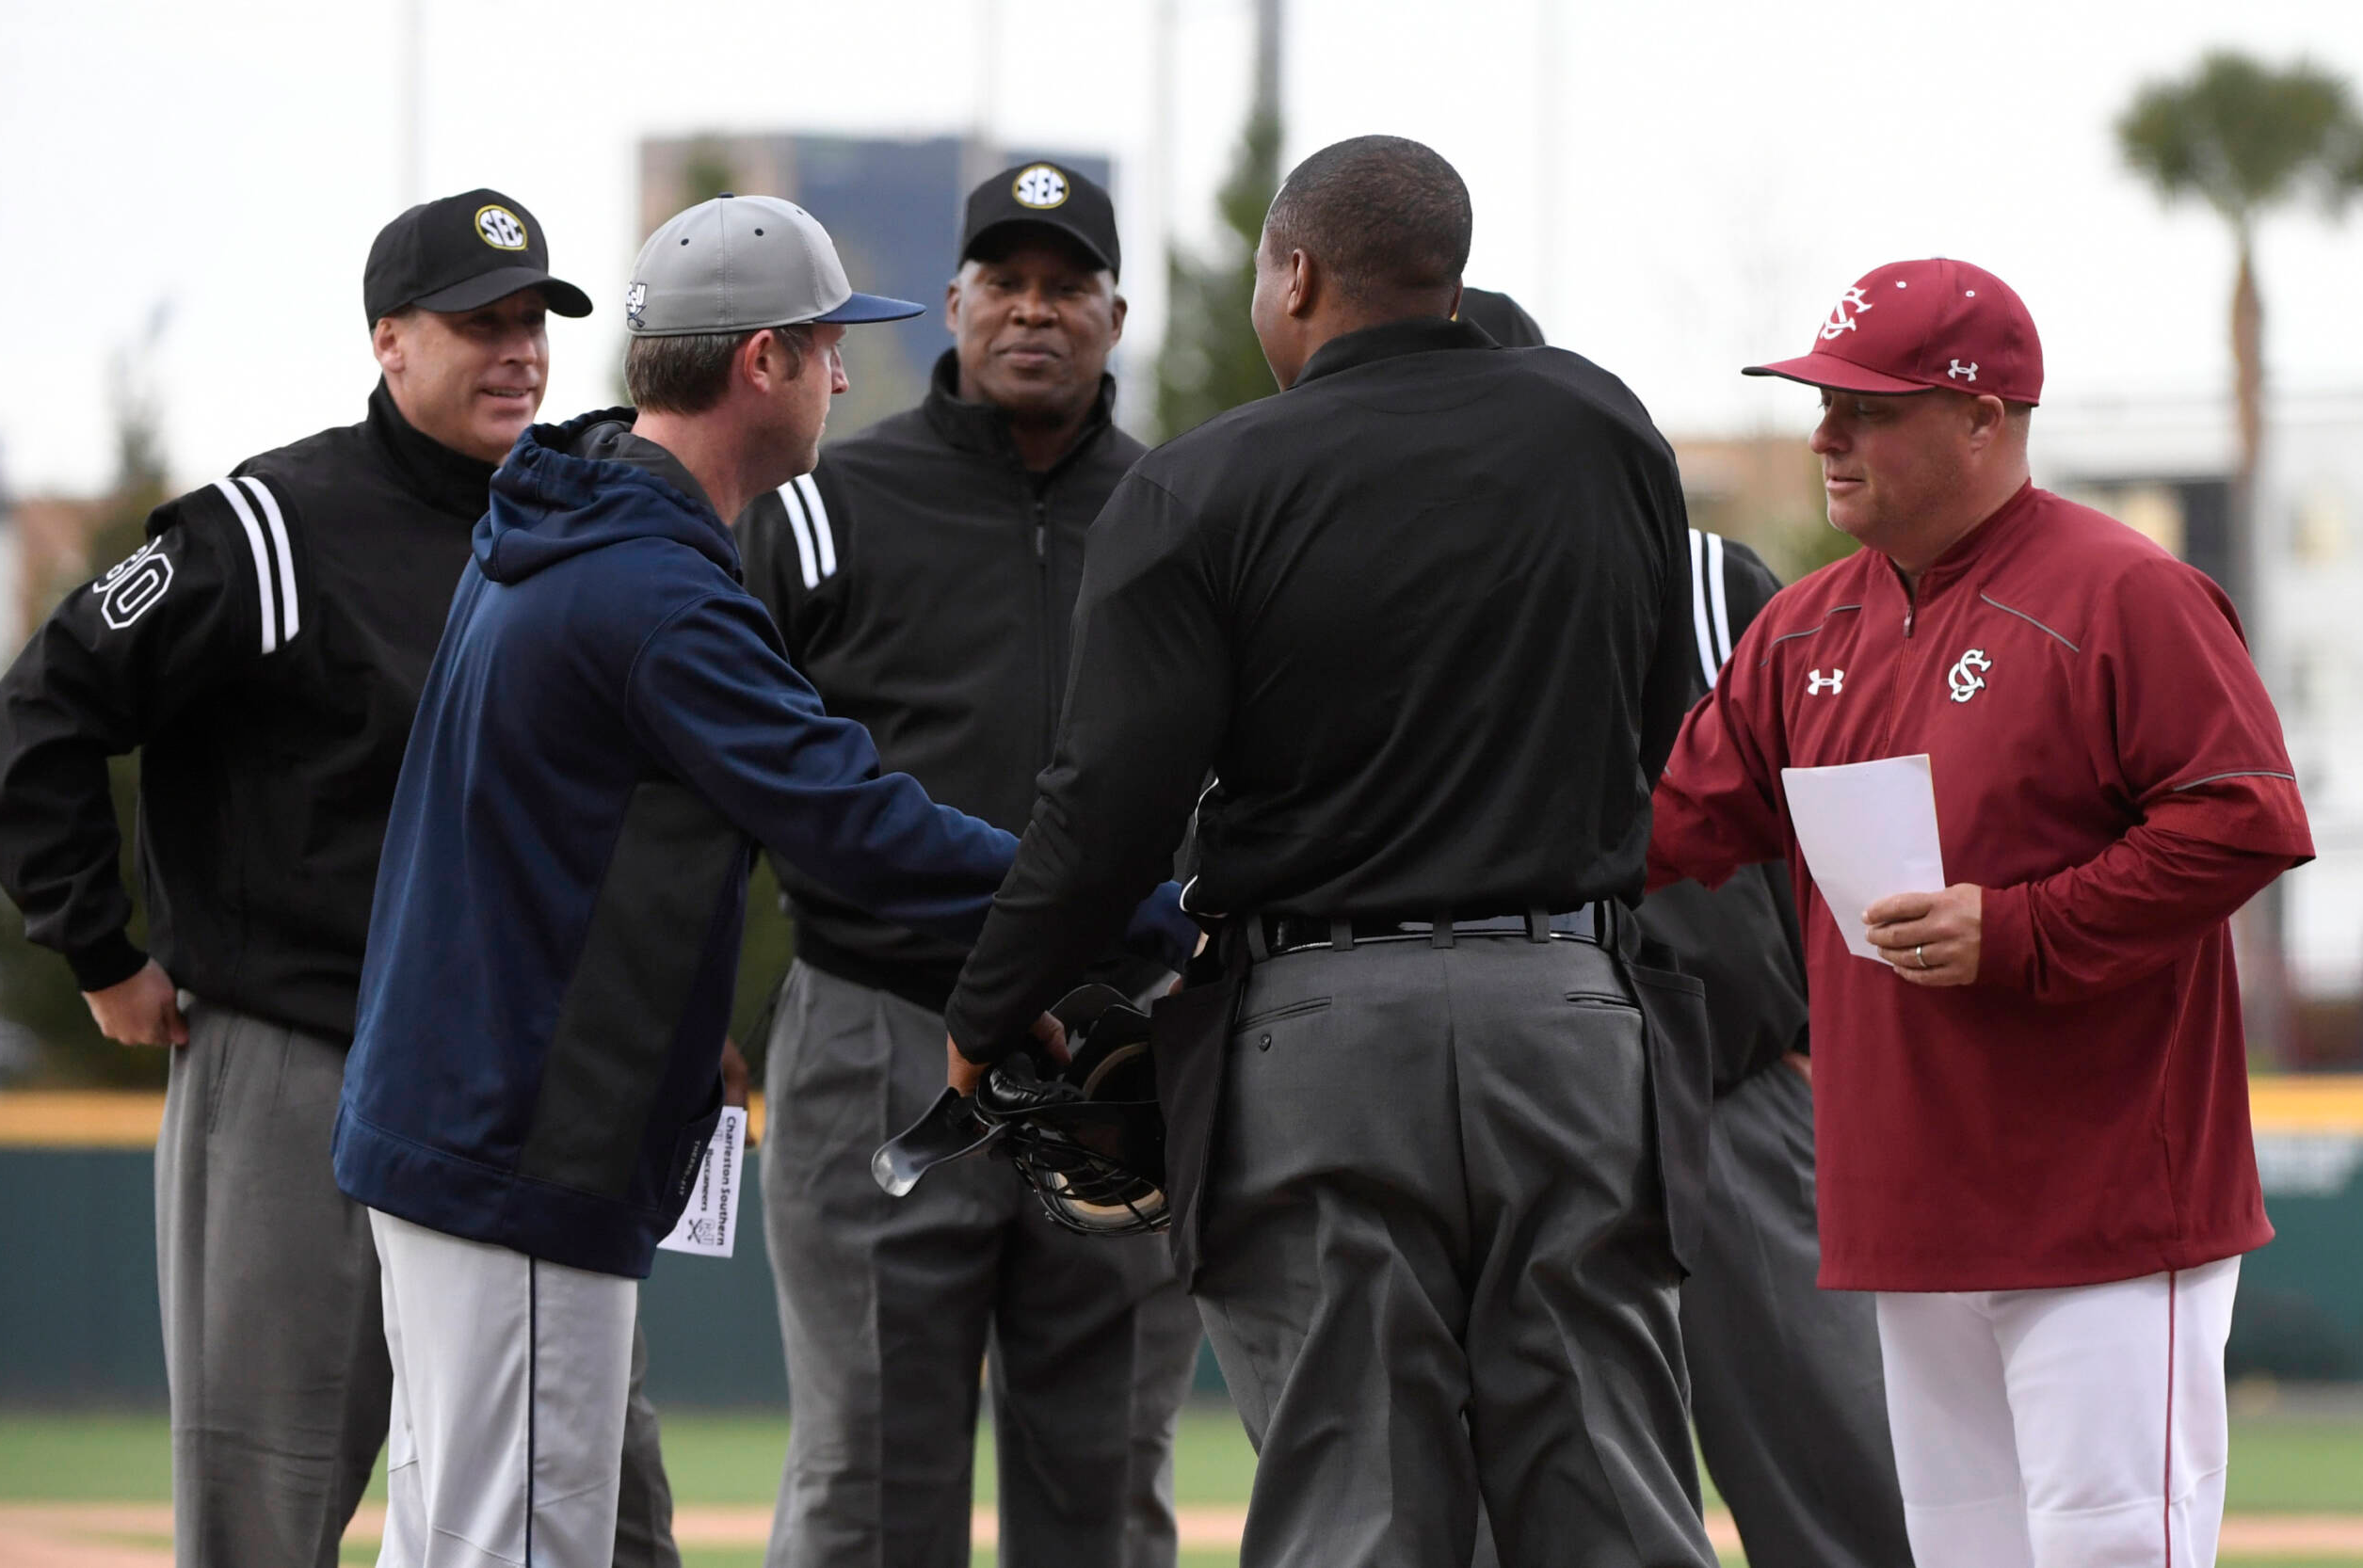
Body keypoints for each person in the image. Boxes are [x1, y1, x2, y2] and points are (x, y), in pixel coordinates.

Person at [330, 193, 1194, 1567]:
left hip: (461, 1116)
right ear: (762, 361)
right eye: (827, 347)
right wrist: (1146, 916)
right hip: (519, 1133)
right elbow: (859, 825)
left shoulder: (572, 520)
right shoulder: (650, 586)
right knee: (520, 1548)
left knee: (459, 1539)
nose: (843, 379)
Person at [940, 135, 1717, 1568]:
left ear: (1295, 276)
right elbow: (1664, 726)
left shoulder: (1205, 480)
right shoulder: (1605, 427)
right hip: (1570, 1008)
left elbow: (1105, 810)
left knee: (1356, 1511)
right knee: (1613, 1496)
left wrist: (990, 1008)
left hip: (1324, 1031)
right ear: (1448, 276)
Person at [0, 189, 688, 1568]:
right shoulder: (272, 529)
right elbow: (47, 706)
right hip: (307, 1054)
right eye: (479, 323)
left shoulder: (575, 529)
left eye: (534, 321)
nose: (518, 351)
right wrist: (98, 948)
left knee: (598, 1501)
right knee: (268, 1502)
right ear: (388, 341)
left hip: (522, 1084)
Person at [1649, 258, 2312, 1568]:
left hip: (2104, 1202)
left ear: (1982, 419)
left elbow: (2247, 818)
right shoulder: (1803, 628)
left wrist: (2020, 930)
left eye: (1869, 408)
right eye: (1824, 403)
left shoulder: (2122, 591)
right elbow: (1664, 827)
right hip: (1908, 1207)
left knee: (2112, 1555)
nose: (1829, 435)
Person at [734, 163, 1198, 1567]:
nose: (1033, 311)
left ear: (1117, 316)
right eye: (1005, 282)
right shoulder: (825, 507)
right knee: (869, 1481)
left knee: (1105, 1485)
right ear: (953, 305)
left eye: (1067, 286)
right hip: (883, 1018)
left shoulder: (1186, 511)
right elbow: (701, 781)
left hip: (1119, 1043)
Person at [1457, 287, 1913, 1567]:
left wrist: (1831, 1045)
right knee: (1539, 1490)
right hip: (1504, 1086)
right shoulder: (1366, 587)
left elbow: (1836, 819)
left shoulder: (1707, 577)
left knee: (1847, 1477)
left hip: (1730, 1081)